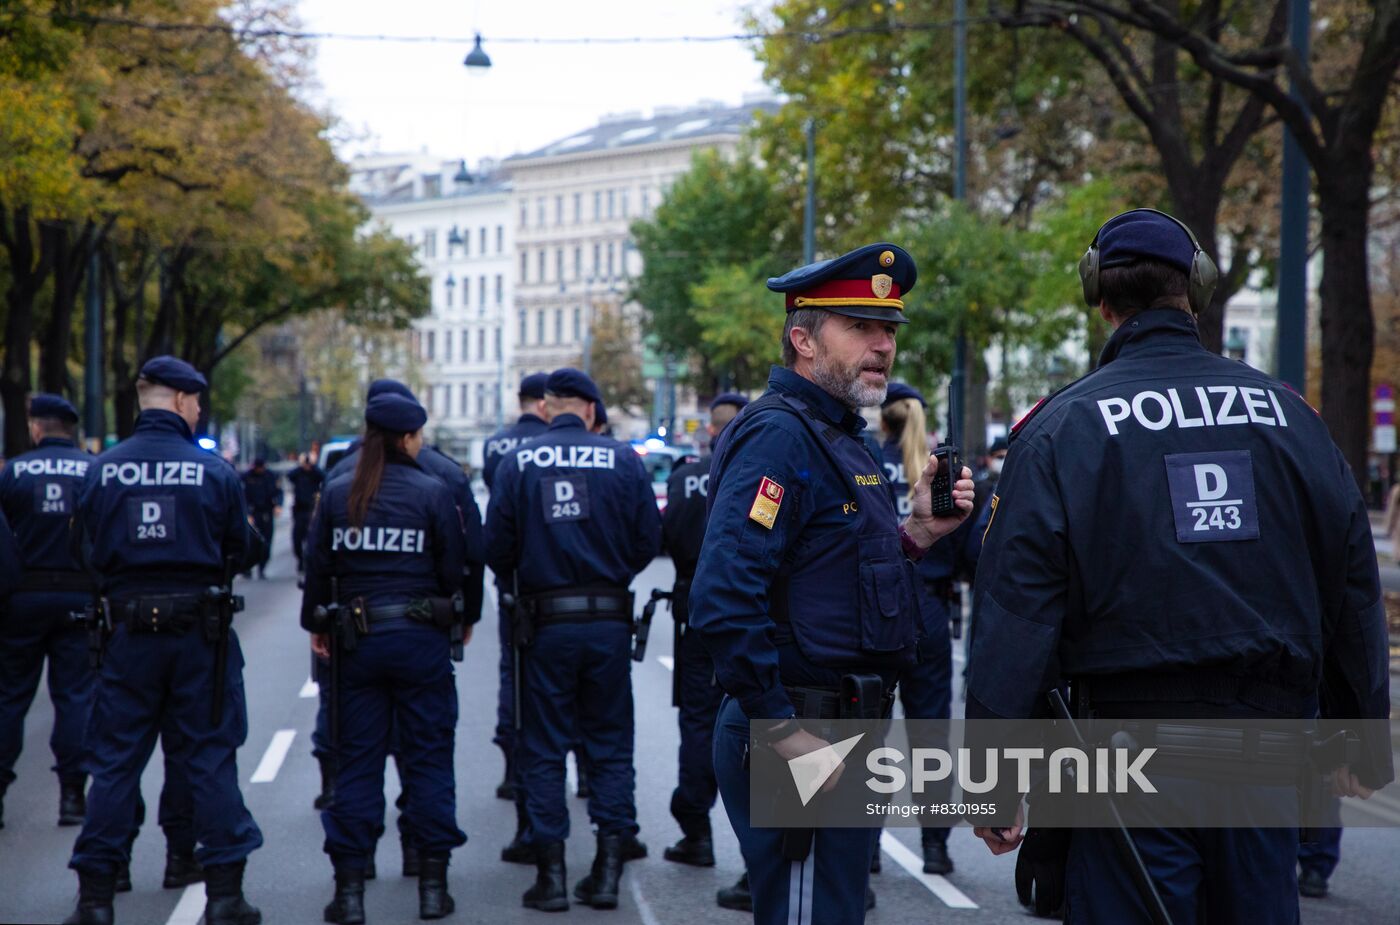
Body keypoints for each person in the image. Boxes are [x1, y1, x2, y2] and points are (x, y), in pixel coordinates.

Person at [966, 209, 1394, 923]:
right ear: (1195, 289)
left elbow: (1015, 610)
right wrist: (1358, 733)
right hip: (1264, 756)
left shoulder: (1063, 427)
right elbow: (1351, 581)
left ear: (1100, 300)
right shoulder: (1291, 419)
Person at [688, 243, 975, 925]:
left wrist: (921, 533)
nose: (882, 345)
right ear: (802, 339)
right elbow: (724, 594)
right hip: (799, 725)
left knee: (835, 910)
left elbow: (837, 575)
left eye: (889, 330)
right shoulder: (779, 436)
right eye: (860, 327)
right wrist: (783, 729)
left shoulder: (843, 436)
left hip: (842, 727)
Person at [66, 356, 264, 925]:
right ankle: (224, 896)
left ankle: (96, 899)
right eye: (197, 402)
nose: (199, 411)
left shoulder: (102, 469)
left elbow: (86, 552)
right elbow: (243, 550)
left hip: (126, 634)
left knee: (115, 763)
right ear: (179, 401)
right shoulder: (215, 473)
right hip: (199, 637)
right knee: (208, 757)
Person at [485, 368, 661, 912]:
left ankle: (553, 877)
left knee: (542, 747)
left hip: (545, 624)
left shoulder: (518, 463)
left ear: (548, 408)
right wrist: (607, 575)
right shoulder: (625, 461)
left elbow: (497, 547)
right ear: (589, 408)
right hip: (608, 622)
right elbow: (646, 543)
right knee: (609, 745)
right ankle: (607, 873)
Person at [301, 391, 471, 924]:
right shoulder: (432, 491)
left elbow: (317, 569)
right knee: (428, 762)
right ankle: (432, 888)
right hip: (419, 642)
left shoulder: (336, 492)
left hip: (357, 643)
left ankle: (350, 893)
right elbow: (454, 573)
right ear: (407, 438)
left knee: (355, 765)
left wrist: (317, 628)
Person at [876, 382, 979, 876]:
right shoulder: (942, 469)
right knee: (931, 737)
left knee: (866, 735)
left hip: (876, 607)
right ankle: (935, 847)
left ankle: (862, 851)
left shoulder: (864, 460)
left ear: (885, 420)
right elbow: (966, 545)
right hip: (930, 610)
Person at [658, 393, 748, 890]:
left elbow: (664, 536)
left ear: (710, 430)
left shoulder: (684, 477)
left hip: (696, 610)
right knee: (762, 723)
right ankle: (762, 859)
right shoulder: (761, 468)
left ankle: (696, 831)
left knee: (698, 721)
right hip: (752, 612)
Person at [0, 395, 96, 830]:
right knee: (75, 696)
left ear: (36, 427)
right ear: (70, 429)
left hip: (23, 599)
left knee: (9, 697)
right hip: (80, 597)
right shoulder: (94, 471)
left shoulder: (13, 473)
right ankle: (73, 797)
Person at [482, 373, 550, 803]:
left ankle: (517, 770)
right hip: (560, 577)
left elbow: (497, 524)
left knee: (517, 675)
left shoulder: (497, 447)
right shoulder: (557, 445)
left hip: (518, 584)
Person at [240, 458, 281, 579]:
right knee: (250, 543)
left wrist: (278, 505)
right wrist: (247, 513)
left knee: (266, 542)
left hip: (267, 512)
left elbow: (278, 492)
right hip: (253, 514)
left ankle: (262, 567)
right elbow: (242, 496)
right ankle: (247, 568)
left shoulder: (270, 476)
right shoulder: (246, 477)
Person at [286, 453, 325, 574]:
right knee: (297, 539)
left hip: (312, 510)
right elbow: (290, 475)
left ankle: (309, 562)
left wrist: (313, 466)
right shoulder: (298, 474)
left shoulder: (314, 473)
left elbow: (324, 476)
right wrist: (301, 465)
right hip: (299, 510)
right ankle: (300, 560)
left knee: (311, 539)